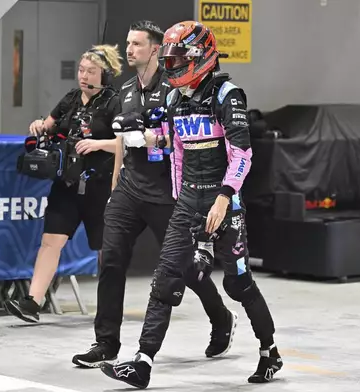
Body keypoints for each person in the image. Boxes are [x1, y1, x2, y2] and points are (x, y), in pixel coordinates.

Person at [100, 21, 283, 388]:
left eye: (179, 58)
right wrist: (143, 138)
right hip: (187, 201)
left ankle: (270, 351)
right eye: (170, 59)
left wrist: (224, 198)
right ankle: (143, 361)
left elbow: (243, 154)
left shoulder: (227, 95)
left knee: (238, 284)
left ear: (200, 56)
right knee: (165, 278)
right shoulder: (174, 99)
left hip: (222, 202)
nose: (173, 65)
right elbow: (176, 151)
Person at [71, 20, 237, 368]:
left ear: (156, 50)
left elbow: (182, 142)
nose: (129, 49)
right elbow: (120, 143)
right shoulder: (127, 90)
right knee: (111, 261)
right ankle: (106, 342)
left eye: (136, 44)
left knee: (190, 270)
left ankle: (221, 318)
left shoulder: (176, 88)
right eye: (128, 43)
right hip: (129, 191)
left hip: (168, 195)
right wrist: (116, 185)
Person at [4, 45, 123, 323]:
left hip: (101, 187)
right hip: (67, 185)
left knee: (108, 249)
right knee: (50, 242)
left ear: (105, 74)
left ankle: (109, 307)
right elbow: (49, 124)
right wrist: (38, 125)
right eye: (81, 70)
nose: (84, 76)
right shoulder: (71, 98)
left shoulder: (115, 102)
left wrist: (98, 144)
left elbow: (128, 143)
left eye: (91, 71)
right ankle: (32, 302)